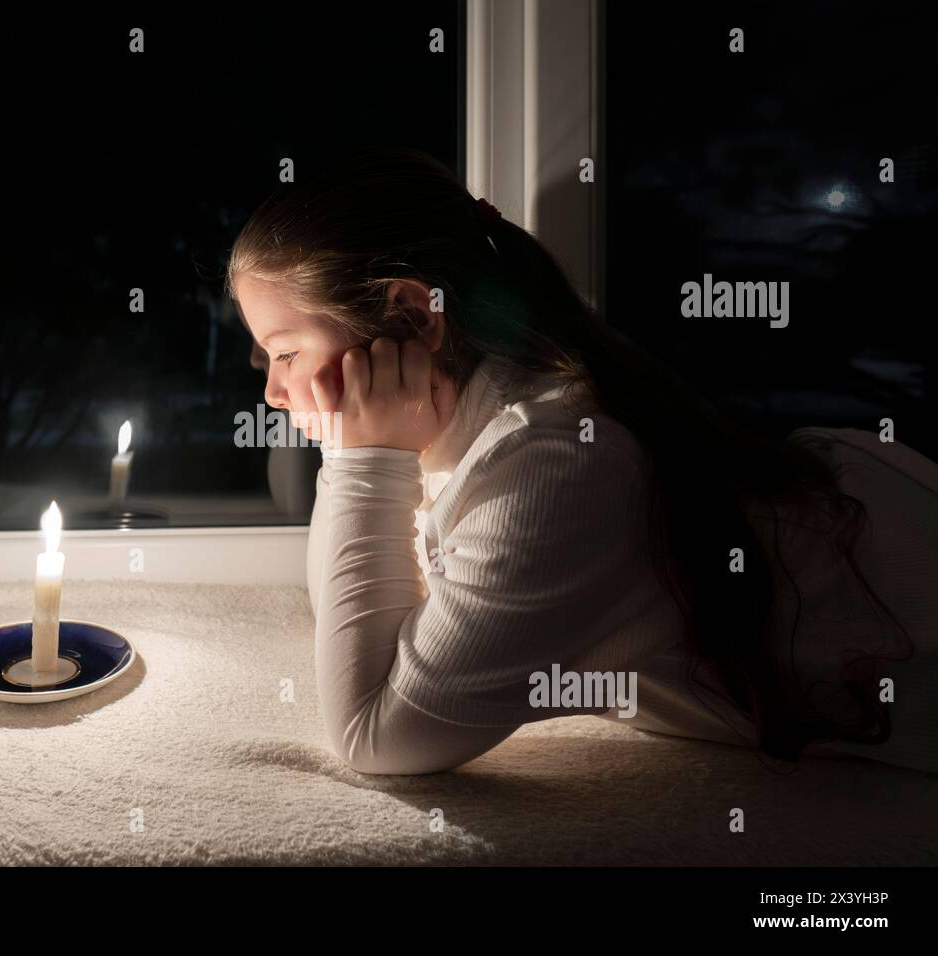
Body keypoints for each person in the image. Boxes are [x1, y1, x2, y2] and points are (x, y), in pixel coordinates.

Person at [227, 145, 938, 776]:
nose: (271, 392)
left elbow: (376, 738)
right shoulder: (462, 427)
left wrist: (362, 464)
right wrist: (358, 449)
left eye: (287, 353)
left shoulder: (555, 462)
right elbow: (344, 612)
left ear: (413, 317)